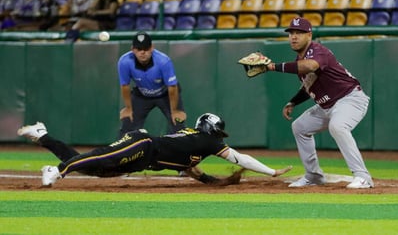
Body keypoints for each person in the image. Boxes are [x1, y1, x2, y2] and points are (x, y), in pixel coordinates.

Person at [17, 113, 293, 186]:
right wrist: (270, 172)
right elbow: (240, 157)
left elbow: (194, 171)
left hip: (142, 159)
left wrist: (215, 182)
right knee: (104, 156)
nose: (219, 138)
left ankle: (42, 134)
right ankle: (58, 171)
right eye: (218, 132)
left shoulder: (194, 149)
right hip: (143, 143)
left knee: (92, 167)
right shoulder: (207, 141)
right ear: (211, 129)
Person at [265, 17, 373, 189]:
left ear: (309, 35)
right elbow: (308, 84)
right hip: (328, 106)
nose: (293, 36)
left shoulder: (317, 51)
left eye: (299, 33)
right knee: (300, 127)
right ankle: (314, 176)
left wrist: (273, 66)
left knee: (338, 126)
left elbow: (309, 66)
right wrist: (293, 102)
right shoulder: (301, 60)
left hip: (350, 99)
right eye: (291, 33)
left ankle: (363, 177)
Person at [118, 31, 187, 137]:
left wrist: (175, 110)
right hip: (142, 95)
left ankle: (177, 152)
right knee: (128, 123)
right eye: (139, 49)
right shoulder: (124, 62)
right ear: (133, 49)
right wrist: (128, 108)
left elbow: (172, 87)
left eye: (146, 49)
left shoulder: (163, 61)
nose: (142, 52)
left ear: (152, 48)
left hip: (166, 95)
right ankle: (122, 152)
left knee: (177, 124)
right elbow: (125, 86)